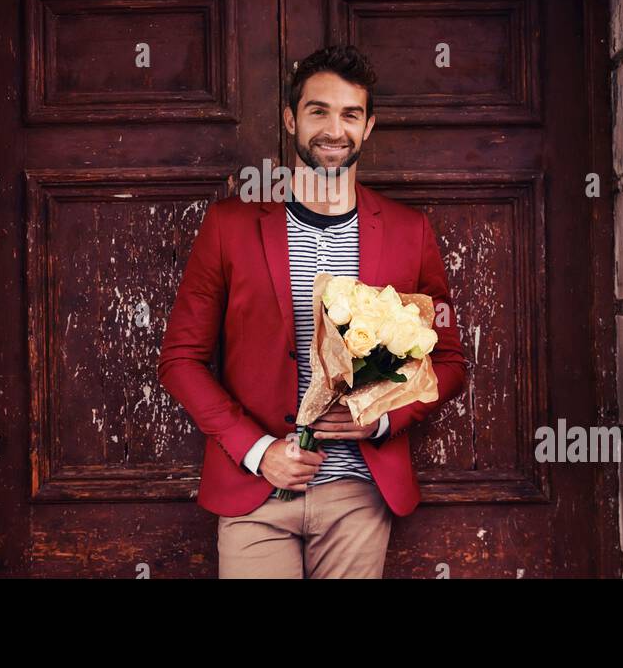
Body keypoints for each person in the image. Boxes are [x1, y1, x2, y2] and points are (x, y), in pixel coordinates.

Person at [157, 44, 469, 578]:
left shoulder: (408, 231)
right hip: (255, 491)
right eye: (318, 110)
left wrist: (379, 421)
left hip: (359, 493)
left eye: (350, 114)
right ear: (290, 119)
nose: (333, 128)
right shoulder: (229, 226)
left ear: (368, 126)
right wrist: (257, 450)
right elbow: (180, 360)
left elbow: (449, 362)